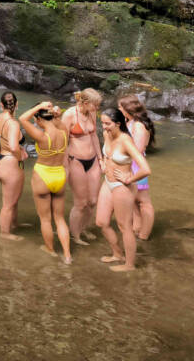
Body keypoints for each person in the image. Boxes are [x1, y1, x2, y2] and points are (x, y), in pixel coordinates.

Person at [96, 108, 151, 272]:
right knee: (101, 222)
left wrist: (129, 179)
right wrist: (103, 162)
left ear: (118, 124)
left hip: (123, 187)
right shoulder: (107, 134)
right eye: (102, 123)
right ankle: (117, 254)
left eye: (107, 123)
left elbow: (145, 169)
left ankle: (129, 265)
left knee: (124, 226)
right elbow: (107, 153)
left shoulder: (126, 140)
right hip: (108, 182)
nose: (104, 127)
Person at [19, 101, 72, 263]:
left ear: (38, 119)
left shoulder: (41, 136)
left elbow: (22, 119)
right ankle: (68, 255)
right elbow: (58, 123)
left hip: (43, 175)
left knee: (45, 219)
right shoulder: (63, 131)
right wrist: (55, 114)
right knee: (60, 218)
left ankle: (50, 250)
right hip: (59, 176)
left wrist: (39, 106)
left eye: (36, 119)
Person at [61, 88, 103, 246]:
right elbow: (63, 142)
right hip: (75, 160)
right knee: (81, 203)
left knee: (92, 201)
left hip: (93, 160)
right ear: (85, 103)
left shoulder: (91, 113)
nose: (97, 109)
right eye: (95, 105)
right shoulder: (69, 115)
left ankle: (84, 227)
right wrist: (65, 165)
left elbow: (94, 137)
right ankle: (75, 235)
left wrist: (101, 159)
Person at [119, 94, 156, 240]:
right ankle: (137, 228)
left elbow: (138, 150)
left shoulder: (139, 126)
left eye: (120, 107)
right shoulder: (130, 122)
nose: (118, 109)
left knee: (144, 202)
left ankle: (144, 234)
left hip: (136, 167)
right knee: (134, 200)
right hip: (128, 165)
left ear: (127, 109)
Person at [0, 91, 27, 240]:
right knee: (8, 204)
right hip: (9, 162)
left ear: (1, 105)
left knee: (12, 198)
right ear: (17, 104)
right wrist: (21, 156)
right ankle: (5, 234)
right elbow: (13, 147)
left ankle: (14, 224)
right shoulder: (13, 124)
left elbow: (3, 139)